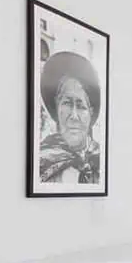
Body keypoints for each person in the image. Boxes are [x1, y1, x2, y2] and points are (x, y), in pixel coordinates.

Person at [38, 51, 102, 184]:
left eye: (81, 106)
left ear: (90, 112)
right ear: (57, 108)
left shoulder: (100, 159)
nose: (74, 116)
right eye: (67, 103)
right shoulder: (42, 160)